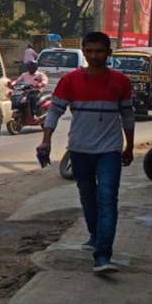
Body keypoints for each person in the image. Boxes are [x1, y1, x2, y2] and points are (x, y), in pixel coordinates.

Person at [38, 31, 135, 275]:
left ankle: (102, 255)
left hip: (110, 151)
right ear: (84, 52)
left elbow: (128, 116)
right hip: (79, 150)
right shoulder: (70, 81)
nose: (94, 56)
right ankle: (94, 235)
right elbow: (54, 111)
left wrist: (129, 146)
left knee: (108, 198)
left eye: (99, 51)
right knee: (88, 196)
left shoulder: (121, 82)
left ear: (108, 53)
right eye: (90, 51)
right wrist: (45, 141)